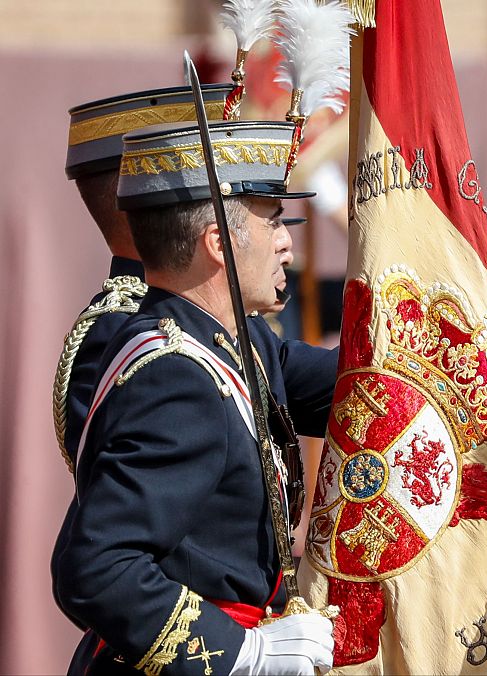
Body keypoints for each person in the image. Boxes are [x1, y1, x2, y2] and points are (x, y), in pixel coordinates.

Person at [56, 120, 338, 675]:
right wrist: (239, 655)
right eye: (272, 219)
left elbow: (349, 384)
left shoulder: (243, 338)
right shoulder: (178, 377)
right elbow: (96, 566)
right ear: (218, 244)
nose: (286, 239)